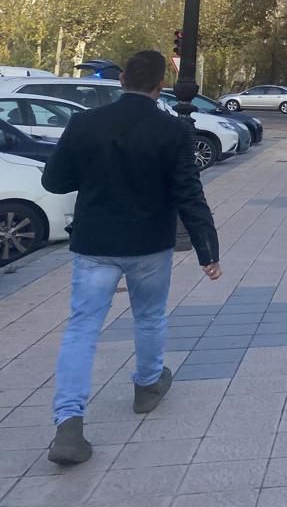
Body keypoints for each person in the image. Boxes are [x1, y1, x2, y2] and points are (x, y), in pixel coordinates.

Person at [41, 50, 221, 465]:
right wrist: (207, 251)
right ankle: (146, 386)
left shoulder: (85, 122)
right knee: (150, 316)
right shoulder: (172, 130)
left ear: (122, 79)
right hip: (148, 245)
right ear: (161, 85)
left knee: (82, 329)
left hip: (94, 243)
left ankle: (68, 425)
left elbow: (54, 181)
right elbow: (188, 194)